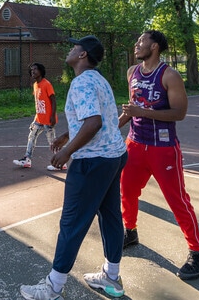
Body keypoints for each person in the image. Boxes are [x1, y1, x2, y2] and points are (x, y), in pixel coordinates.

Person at [20, 36, 128, 300]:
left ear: (83, 55)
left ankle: (53, 288)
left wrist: (67, 151)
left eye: (74, 47)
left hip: (92, 161)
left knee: (72, 223)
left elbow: (93, 123)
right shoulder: (99, 80)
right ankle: (111, 278)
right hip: (114, 155)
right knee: (111, 216)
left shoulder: (81, 82)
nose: (70, 49)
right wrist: (67, 135)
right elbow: (96, 117)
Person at [119, 30, 199, 280]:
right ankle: (130, 231)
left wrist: (143, 112)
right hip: (135, 143)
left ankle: (198, 252)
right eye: (136, 40)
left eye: (141, 41)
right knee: (126, 190)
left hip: (163, 148)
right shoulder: (132, 73)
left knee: (177, 200)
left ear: (155, 46)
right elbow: (132, 109)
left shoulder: (169, 75)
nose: (137, 44)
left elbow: (179, 113)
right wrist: (112, 129)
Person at [13, 62, 63, 171]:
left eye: (35, 69)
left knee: (52, 142)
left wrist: (53, 116)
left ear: (41, 71)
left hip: (48, 119)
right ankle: (27, 159)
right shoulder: (35, 85)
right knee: (31, 136)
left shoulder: (47, 84)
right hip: (39, 119)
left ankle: (61, 162)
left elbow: (53, 100)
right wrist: (36, 117)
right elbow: (39, 102)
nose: (33, 71)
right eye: (31, 70)